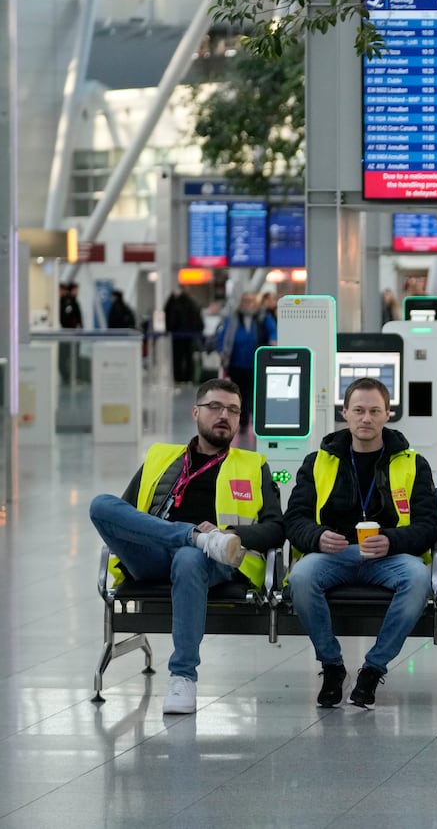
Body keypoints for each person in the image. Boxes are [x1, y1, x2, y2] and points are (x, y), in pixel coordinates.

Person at [88, 379, 285, 713]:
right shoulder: (160, 458)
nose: (224, 415)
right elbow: (123, 515)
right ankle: (192, 535)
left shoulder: (253, 466)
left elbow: (276, 528)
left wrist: (228, 533)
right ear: (195, 412)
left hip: (215, 560)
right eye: (215, 407)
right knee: (100, 505)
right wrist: (190, 534)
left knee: (190, 558)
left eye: (233, 411)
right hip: (151, 555)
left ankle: (183, 677)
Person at [283, 378, 437, 708]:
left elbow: (430, 524)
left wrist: (392, 540)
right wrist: (316, 537)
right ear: (345, 413)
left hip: (389, 557)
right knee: (300, 577)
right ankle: (332, 665)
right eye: (358, 410)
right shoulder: (318, 462)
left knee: (417, 578)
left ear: (388, 414)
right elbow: (294, 518)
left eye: (374, 411)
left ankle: (373, 668)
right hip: (334, 554)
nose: (365, 418)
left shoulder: (413, 463)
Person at [216, 293, 277, 432]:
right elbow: (222, 336)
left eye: (251, 301)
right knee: (239, 393)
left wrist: (273, 341)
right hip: (236, 363)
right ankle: (242, 422)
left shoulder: (263, 318)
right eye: (245, 301)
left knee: (256, 392)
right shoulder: (233, 319)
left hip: (257, 363)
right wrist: (221, 351)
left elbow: (273, 331)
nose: (248, 304)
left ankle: (257, 420)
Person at [164, 290, 205, 384]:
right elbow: (199, 322)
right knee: (189, 357)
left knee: (177, 358)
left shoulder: (175, 304)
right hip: (189, 336)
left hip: (177, 336)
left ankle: (178, 378)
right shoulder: (192, 304)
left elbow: (170, 319)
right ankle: (188, 378)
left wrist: (170, 329)